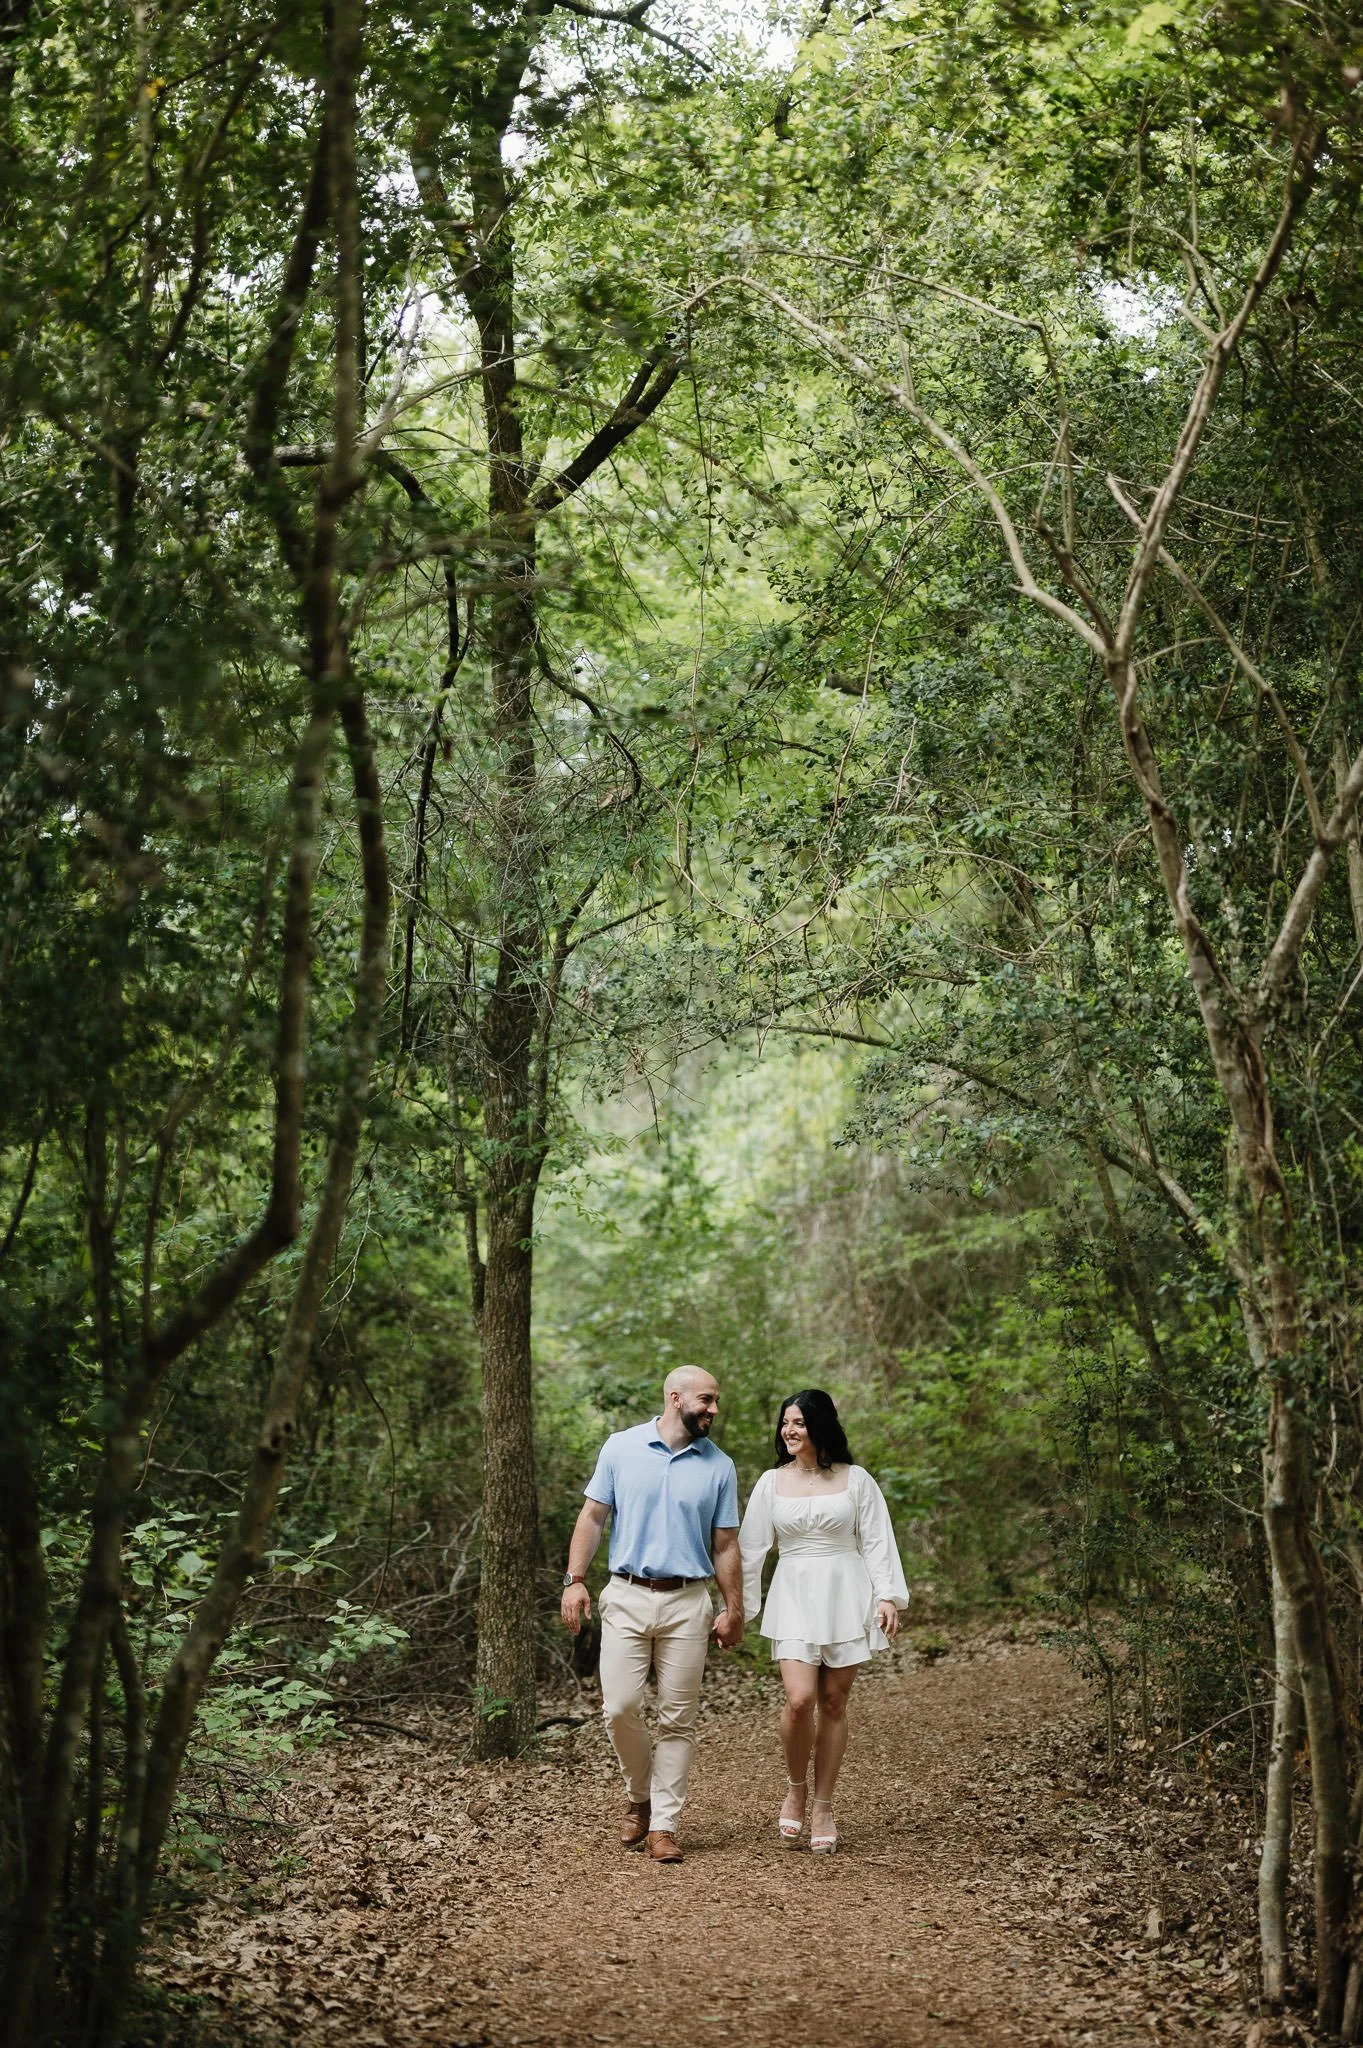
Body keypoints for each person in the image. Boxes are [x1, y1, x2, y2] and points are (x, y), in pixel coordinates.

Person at [560, 1366, 744, 1864]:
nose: (713, 1409)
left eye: (715, 1401)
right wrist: (574, 1581)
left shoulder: (719, 1466)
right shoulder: (621, 1447)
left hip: (689, 1600)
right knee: (619, 1707)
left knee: (678, 1719)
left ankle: (663, 1824)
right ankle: (639, 1796)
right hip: (626, 1594)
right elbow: (593, 1517)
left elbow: (725, 1544)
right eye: (706, 1400)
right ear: (675, 1396)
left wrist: (734, 1608)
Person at [739, 1388, 908, 1854]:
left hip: (846, 1591)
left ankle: (824, 1804)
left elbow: (876, 1541)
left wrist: (887, 1596)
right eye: (785, 1423)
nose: (789, 1431)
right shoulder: (770, 1483)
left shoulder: (857, 1480)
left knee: (834, 1701)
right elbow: (752, 1550)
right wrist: (738, 1608)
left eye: (799, 1423)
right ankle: (795, 1787)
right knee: (799, 1699)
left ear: (821, 1426)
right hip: (793, 1593)